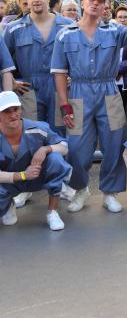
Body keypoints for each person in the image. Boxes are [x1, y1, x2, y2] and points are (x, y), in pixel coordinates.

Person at [51, 0, 127, 214]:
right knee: (76, 146)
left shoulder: (113, 30)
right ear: (83, 3)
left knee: (114, 142)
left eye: (100, 0)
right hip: (78, 92)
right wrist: (64, 105)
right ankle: (80, 189)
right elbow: (58, 72)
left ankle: (110, 193)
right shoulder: (65, 34)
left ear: (105, 5)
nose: (95, 3)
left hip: (109, 91)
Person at [4, 0, 72, 134]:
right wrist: (12, 82)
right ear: (26, 1)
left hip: (59, 87)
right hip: (28, 89)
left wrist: (74, 76)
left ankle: (58, 159)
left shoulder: (68, 26)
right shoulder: (14, 28)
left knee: (60, 132)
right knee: (33, 133)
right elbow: (3, 60)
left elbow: (80, 56)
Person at [0, 91, 71, 231]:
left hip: (38, 177)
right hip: (9, 182)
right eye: (6, 111)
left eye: (16, 109)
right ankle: (8, 204)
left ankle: (52, 212)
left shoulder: (38, 128)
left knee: (56, 159)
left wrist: (46, 149)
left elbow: (64, 147)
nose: (13, 115)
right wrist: (22, 175)